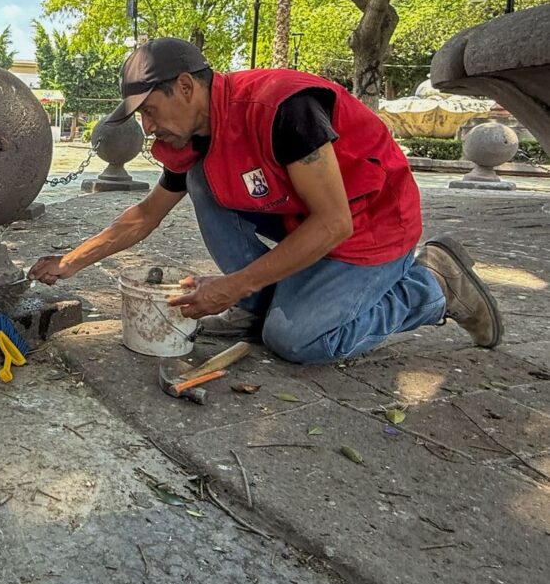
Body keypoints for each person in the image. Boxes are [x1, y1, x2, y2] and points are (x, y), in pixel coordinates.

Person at [29, 38, 502, 365]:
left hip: (369, 227)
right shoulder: (192, 135)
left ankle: (433, 285)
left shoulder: (282, 107)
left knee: (296, 341)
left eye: (149, 110)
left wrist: (230, 286)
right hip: (302, 224)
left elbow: (335, 223)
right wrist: (70, 263)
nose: (147, 127)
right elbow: (145, 216)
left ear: (187, 87)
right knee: (200, 182)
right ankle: (260, 304)